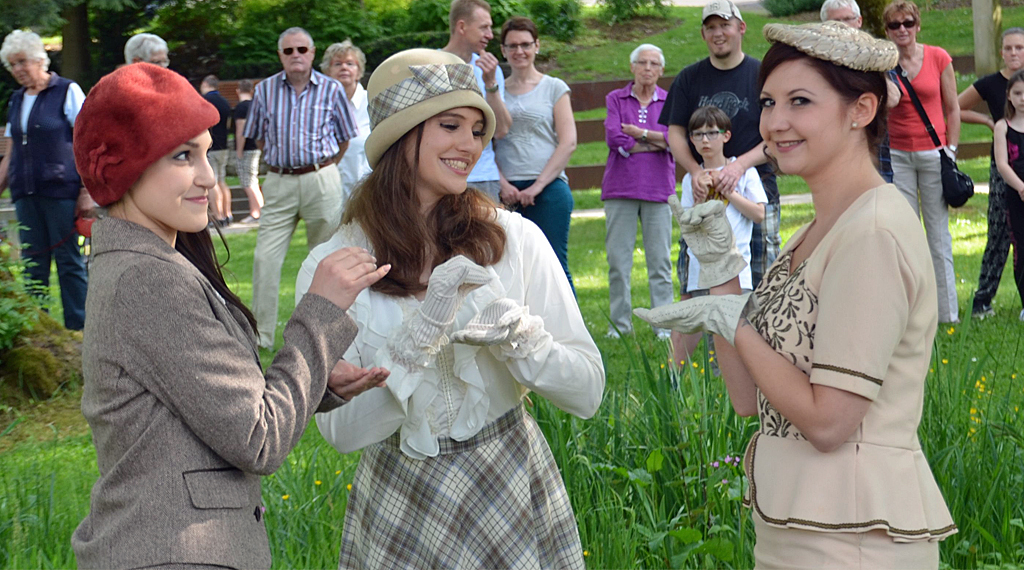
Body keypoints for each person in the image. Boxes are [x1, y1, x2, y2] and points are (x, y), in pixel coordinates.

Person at [636, 21, 956, 568]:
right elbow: (749, 398)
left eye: (800, 101)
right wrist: (721, 271)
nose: (775, 122)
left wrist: (732, 319)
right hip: (794, 529)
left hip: (854, 537)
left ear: (861, 110)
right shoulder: (816, 231)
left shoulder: (872, 232)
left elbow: (829, 422)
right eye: (767, 102)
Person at [69, 63, 389, 570]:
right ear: (125, 166)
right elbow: (260, 439)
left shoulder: (148, 265)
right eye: (183, 156)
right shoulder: (148, 279)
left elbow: (211, 404)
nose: (207, 176)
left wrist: (317, 379)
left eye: (206, 153)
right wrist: (321, 311)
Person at [295, 49, 604, 569]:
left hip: (508, 481)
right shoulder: (335, 265)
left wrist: (521, 338)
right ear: (400, 135)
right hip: (401, 496)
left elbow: (588, 391)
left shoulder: (514, 240)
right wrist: (417, 340)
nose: (471, 145)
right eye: (450, 125)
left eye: (478, 130)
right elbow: (341, 432)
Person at [243, 26, 358, 349]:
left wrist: (321, 167)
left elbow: (345, 137)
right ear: (280, 55)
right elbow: (258, 137)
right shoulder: (264, 90)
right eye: (289, 50)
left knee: (328, 258)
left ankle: (324, 334)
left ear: (312, 53)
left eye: (302, 49)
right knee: (265, 258)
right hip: (279, 181)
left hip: (321, 178)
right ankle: (262, 338)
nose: (296, 55)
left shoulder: (332, 89)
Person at [659, 0, 781, 291]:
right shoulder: (689, 78)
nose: (718, 33)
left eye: (725, 25)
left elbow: (777, 134)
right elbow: (675, 133)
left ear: (741, 28)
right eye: (711, 27)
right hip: (704, 188)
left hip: (755, 185)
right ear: (703, 34)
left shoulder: (763, 76)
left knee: (763, 282)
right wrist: (695, 172)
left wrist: (739, 166)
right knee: (699, 278)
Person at [0, 30, 90, 330]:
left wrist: (86, 192)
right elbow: (10, 153)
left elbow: (85, 141)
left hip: (61, 191)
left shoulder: (67, 90)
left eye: (22, 62)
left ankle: (79, 329)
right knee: (32, 262)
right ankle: (38, 330)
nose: (17, 70)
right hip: (24, 194)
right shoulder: (16, 100)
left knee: (68, 261)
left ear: (40, 59)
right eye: (12, 64)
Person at [885, 0, 961, 323]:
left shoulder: (938, 57)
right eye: (894, 25)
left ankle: (947, 313)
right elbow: (883, 106)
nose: (902, 29)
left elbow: (953, 108)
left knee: (938, 235)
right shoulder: (883, 63)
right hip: (898, 154)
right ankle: (912, 313)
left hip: (934, 153)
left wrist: (951, 150)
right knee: (905, 234)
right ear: (887, 31)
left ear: (917, 26)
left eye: (907, 23)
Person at [673, 105, 766, 363]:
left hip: (737, 270)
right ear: (691, 140)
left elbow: (759, 214)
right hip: (701, 271)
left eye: (712, 133)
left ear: (726, 136)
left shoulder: (744, 172)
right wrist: (700, 199)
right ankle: (681, 376)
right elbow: (689, 228)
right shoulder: (692, 179)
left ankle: (731, 384)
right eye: (698, 134)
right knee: (707, 335)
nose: (705, 140)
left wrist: (728, 192)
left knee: (733, 336)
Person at [495, 16, 578, 291]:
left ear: (537, 46)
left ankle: (568, 321)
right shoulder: (494, 92)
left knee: (553, 267)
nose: (519, 51)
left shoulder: (554, 87)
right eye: (512, 46)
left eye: (526, 44)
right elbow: (483, 144)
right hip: (504, 191)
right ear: (503, 50)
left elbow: (568, 142)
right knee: (507, 271)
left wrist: (538, 186)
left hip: (548, 189)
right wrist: (502, 184)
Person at [601, 43, 675, 339]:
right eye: (642, 62)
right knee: (618, 263)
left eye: (654, 63)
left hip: (659, 190)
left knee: (660, 262)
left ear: (661, 70)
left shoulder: (670, 100)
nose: (647, 68)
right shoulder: (615, 98)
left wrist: (640, 134)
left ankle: (664, 326)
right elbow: (614, 137)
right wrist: (656, 142)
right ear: (632, 67)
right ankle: (619, 326)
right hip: (620, 188)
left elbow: (675, 139)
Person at [959, 28, 1024, 318]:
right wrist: (988, 121)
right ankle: (983, 299)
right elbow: (955, 107)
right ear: (1001, 52)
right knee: (999, 232)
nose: (1014, 53)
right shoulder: (991, 83)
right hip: (1005, 164)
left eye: (1020, 48)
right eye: (1008, 48)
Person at [820, 0, 903, 183]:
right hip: (832, 155)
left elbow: (893, 98)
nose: (843, 26)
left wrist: (867, 62)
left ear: (859, 21)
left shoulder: (876, 56)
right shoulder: (817, 62)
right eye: (836, 22)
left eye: (847, 19)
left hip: (875, 154)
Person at [442, 0, 513, 204]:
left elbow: (501, 130)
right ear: (461, 26)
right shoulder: (431, 65)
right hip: (441, 177)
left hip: (483, 178)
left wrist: (490, 83)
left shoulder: (491, 70)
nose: (490, 35)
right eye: (484, 27)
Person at [321, 40, 372, 203]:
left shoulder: (372, 103)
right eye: (337, 64)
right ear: (327, 72)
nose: (344, 67)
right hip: (325, 196)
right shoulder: (318, 106)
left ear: (359, 71)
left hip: (365, 195)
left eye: (350, 63)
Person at [991, 69, 1024, 322]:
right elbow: (1002, 164)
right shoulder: (1003, 127)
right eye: (1018, 93)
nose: (1023, 98)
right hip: (1016, 195)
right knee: (1021, 249)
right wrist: (1021, 187)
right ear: (1009, 96)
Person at [200, 74, 233, 226]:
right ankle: (228, 214)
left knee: (213, 183)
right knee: (222, 180)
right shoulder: (225, 101)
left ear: (206, 84)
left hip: (212, 146)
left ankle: (218, 216)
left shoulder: (205, 101)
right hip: (224, 146)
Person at [234, 78, 264, 223]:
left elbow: (241, 130)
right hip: (255, 147)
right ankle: (259, 211)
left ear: (238, 91)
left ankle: (256, 212)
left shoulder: (241, 107)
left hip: (247, 149)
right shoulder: (256, 105)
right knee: (253, 180)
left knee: (248, 182)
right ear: (252, 91)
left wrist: (239, 150)